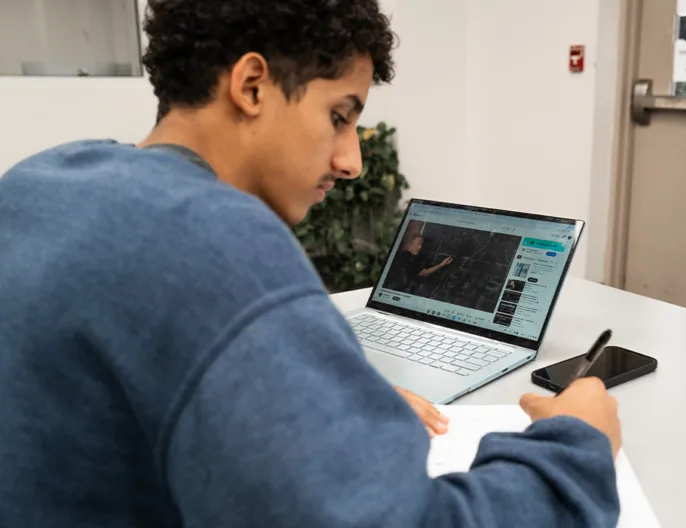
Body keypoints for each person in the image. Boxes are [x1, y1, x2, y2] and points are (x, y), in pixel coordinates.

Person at [0, 1, 623, 526]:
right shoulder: (217, 239)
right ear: (252, 87)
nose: (351, 161)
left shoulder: (41, 183)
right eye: (339, 116)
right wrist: (576, 445)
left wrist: (318, 398)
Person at [388, 234, 453, 294]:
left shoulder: (409, 257)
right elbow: (424, 273)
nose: (420, 247)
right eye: (418, 244)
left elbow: (423, 273)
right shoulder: (406, 257)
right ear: (410, 244)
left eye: (421, 244)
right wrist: (442, 264)